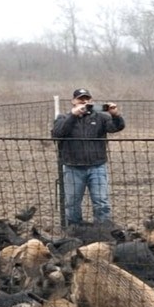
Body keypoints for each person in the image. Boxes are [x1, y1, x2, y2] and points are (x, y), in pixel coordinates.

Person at [51, 88, 124, 227]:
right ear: (73, 101)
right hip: (73, 168)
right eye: (80, 99)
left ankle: (103, 229)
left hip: (97, 167)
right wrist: (73, 116)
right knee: (72, 203)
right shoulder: (63, 118)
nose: (84, 102)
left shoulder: (101, 117)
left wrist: (115, 115)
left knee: (101, 201)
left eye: (87, 99)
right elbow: (57, 134)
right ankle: (74, 229)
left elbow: (117, 127)